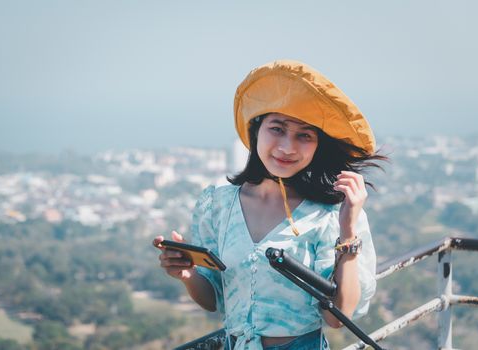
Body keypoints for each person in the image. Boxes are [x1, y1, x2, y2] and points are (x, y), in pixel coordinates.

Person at [153, 60, 387, 350]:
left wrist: (349, 228)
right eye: (277, 129)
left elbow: (337, 317)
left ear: (317, 146)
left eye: (304, 135)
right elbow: (214, 299)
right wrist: (187, 276)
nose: (287, 147)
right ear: (256, 131)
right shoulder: (218, 204)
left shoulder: (330, 216)